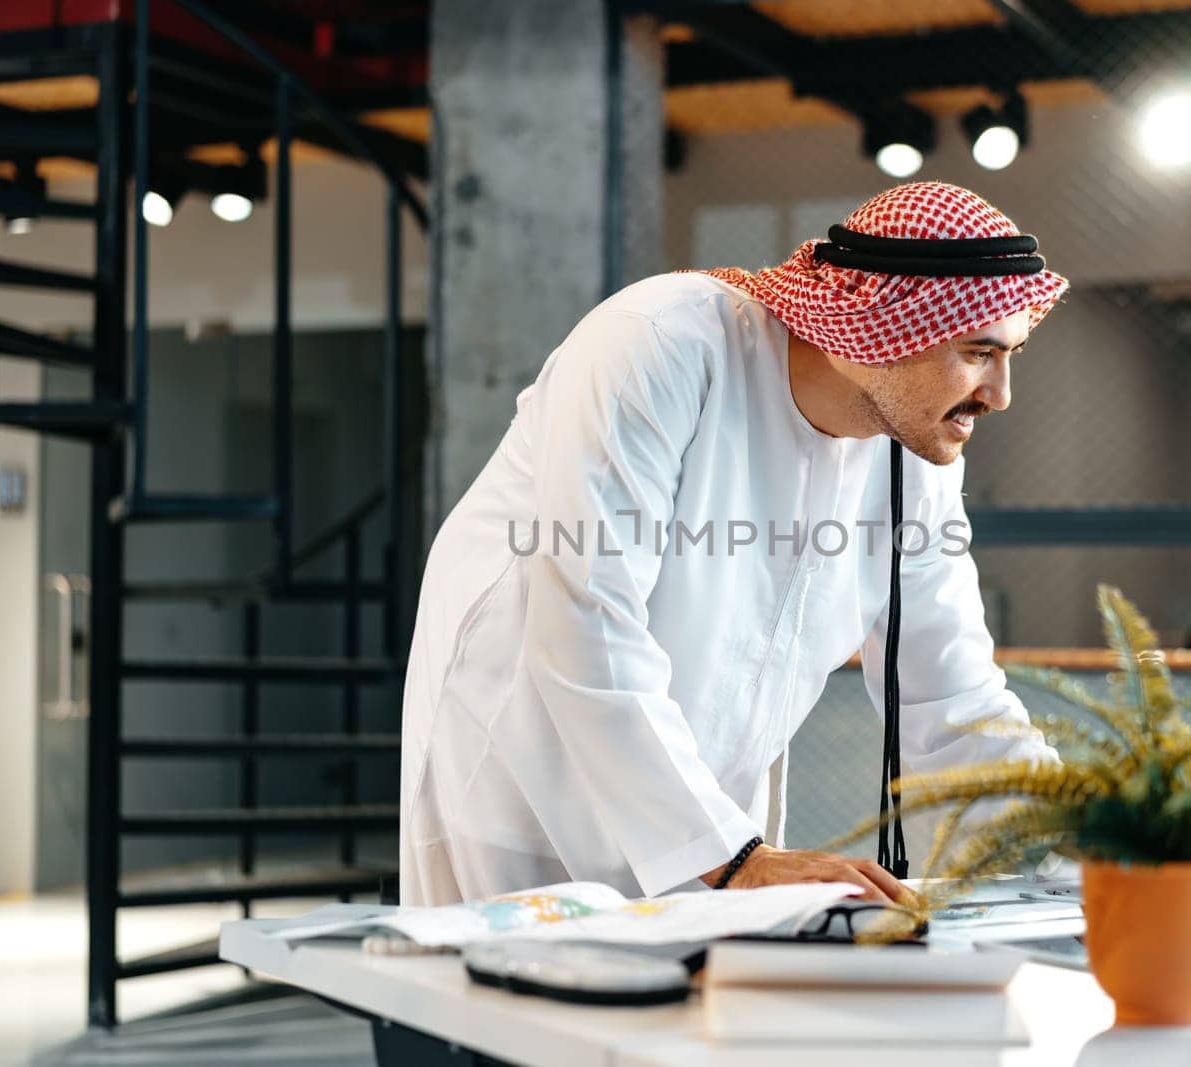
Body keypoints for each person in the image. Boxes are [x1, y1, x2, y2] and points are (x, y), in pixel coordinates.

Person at [400, 181, 1070, 907]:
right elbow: (584, 619)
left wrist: (1096, 833)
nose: (1000, 393)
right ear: (881, 328)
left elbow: (950, 689)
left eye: (1013, 354)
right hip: (519, 796)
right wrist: (733, 855)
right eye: (978, 353)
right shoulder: (659, 344)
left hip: (704, 823)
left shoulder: (914, 453)